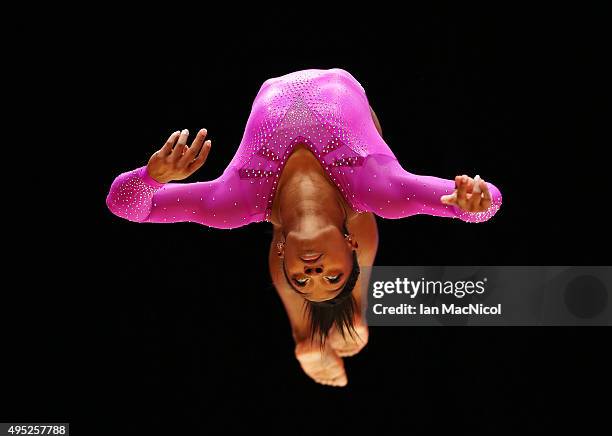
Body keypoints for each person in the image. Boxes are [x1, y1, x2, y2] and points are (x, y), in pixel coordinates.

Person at [106, 68, 503, 387]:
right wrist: (475, 203)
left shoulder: (235, 203)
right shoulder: (381, 189)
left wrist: (152, 176)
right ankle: (353, 309)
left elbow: (127, 207)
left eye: (302, 278)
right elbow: (489, 204)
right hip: (351, 110)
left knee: (305, 220)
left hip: (275, 106)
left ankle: (305, 335)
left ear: (283, 256)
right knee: (360, 207)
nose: (314, 273)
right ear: (351, 248)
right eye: (333, 276)